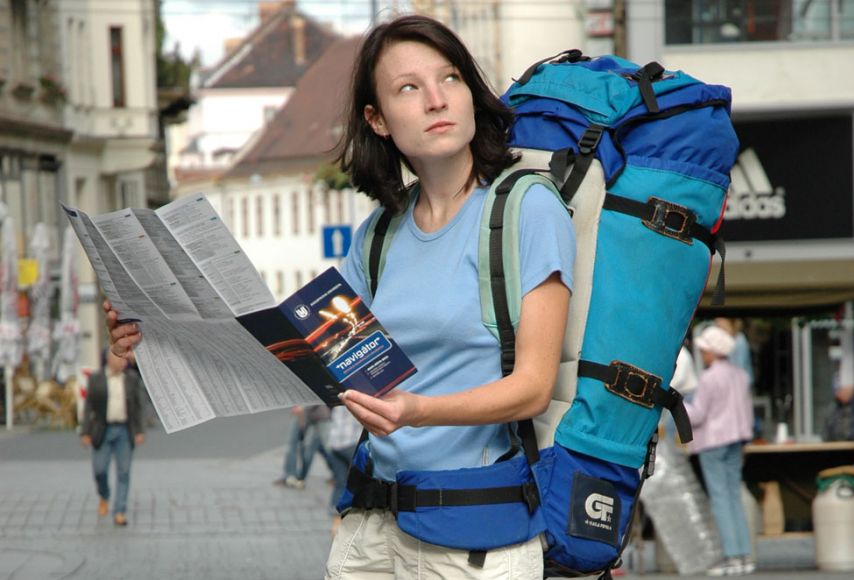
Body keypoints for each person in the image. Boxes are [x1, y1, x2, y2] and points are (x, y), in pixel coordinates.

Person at [107, 14, 574, 578]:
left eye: (449, 79)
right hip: (373, 524)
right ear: (377, 119)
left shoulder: (526, 207)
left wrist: (417, 412)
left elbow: (531, 389)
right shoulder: (380, 235)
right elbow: (300, 354)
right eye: (408, 88)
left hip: (474, 534)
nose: (435, 99)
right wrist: (161, 334)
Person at [686, 325, 755, 576]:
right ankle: (744, 555)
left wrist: (679, 404)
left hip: (712, 442)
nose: (702, 354)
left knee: (720, 499)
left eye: (704, 350)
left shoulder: (709, 377)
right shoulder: (740, 375)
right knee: (733, 496)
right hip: (737, 439)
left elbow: (698, 415)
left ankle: (730, 556)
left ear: (713, 351)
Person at [79, 348, 146, 527]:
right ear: (110, 359)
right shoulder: (96, 379)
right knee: (100, 469)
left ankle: (120, 511)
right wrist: (85, 432)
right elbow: (88, 407)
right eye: (121, 358)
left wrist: (140, 431)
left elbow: (139, 406)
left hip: (125, 430)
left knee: (124, 472)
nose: (124, 362)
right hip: (103, 430)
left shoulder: (131, 379)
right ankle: (104, 495)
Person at [323, 405, 361, 535]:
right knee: (358, 481)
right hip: (350, 442)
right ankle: (350, 516)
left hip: (334, 443)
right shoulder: (358, 394)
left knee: (340, 482)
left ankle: (335, 520)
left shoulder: (338, 395)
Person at [274, 406, 307, 489]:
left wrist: (302, 407)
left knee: (292, 445)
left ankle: (291, 475)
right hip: (307, 410)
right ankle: (291, 475)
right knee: (302, 445)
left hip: (305, 410)